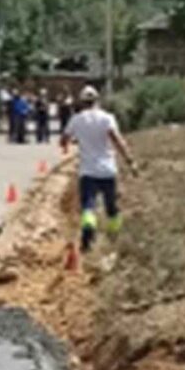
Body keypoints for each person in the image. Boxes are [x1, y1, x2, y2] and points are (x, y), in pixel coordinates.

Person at [61, 85, 135, 252]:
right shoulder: (107, 118)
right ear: (97, 100)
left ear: (82, 101)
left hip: (87, 172)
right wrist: (130, 161)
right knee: (111, 206)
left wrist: (67, 144)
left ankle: (88, 233)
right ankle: (113, 236)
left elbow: (64, 138)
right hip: (108, 170)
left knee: (88, 205)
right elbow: (117, 140)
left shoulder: (77, 119)